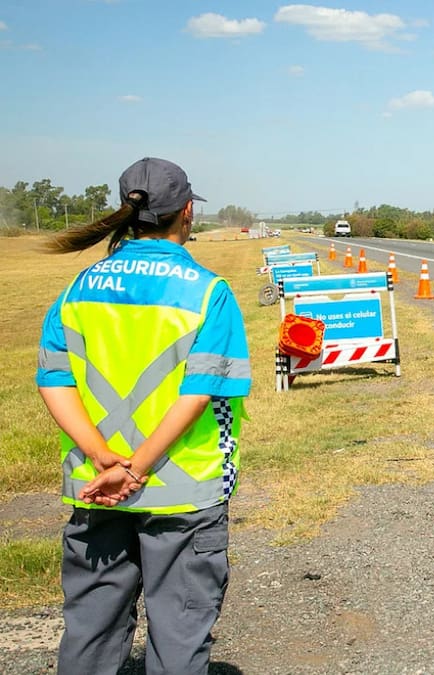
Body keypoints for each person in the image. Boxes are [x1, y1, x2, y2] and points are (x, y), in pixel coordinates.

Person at [35, 157, 251, 675]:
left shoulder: (76, 291)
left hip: (96, 486)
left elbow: (54, 381)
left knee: (90, 630)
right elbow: (198, 394)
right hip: (183, 491)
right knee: (179, 635)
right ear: (186, 213)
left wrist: (102, 457)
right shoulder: (207, 292)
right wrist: (136, 467)